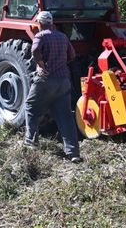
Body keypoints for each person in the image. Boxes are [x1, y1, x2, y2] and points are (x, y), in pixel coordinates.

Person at [23, 11, 82, 163]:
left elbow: (35, 50)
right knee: (65, 116)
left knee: (30, 106)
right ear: (52, 22)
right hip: (63, 81)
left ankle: (31, 142)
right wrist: (61, 64)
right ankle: (73, 153)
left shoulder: (40, 36)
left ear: (40, 23)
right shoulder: (63, 37)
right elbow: (73, 55)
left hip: (46, 80)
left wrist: (41, 64)